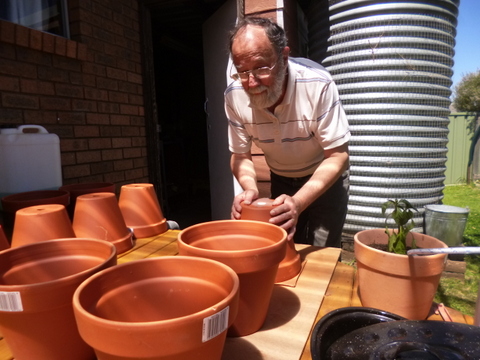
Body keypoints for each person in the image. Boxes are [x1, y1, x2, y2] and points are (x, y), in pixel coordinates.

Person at [224, 16, 350, 247]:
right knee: (287, 244)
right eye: (242, 72)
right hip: (281, 177)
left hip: (324, 176)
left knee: (323, 247)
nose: (251, 83)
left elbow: (338, 156)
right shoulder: (234, 95)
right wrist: (250, 189)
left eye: (261, 68)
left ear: (283, 56)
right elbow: (241, 156)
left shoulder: (318, 84)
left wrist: (299, 202)